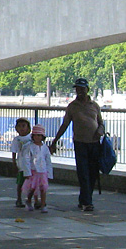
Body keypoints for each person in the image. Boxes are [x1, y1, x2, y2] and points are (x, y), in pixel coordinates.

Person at [49, 78, 104, 212]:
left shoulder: (94, 105)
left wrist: (100, 131)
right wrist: (55, 141)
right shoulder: (72, 107)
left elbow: (101, 122)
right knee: (83, 173)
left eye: (82, 89)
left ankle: (84, 199)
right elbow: (65, 124)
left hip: (94, 143)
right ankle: (87, 202)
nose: (79, 91)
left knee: (92, 173)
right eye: (77, 89)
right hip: (80, 143)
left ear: (87, 90)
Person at [21, 124, 53, 213]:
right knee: (32, 188)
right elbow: (26, 159)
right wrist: (27, 172)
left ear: (42, 137)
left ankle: (43, 204)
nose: (37, 137)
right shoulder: (29, 147)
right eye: (36, 135)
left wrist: (49, 172)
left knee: (43, 188)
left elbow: (48, 160)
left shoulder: (45, 148)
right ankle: (29, 200)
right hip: (33, 170)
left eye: (39, 135)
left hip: (43, 171)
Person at [9, 117, 32, 208]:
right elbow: (14, 152)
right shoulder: (16, 139)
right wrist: (14, 163)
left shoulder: (31, 137)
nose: (22, 128)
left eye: (23, 126)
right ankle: (19, 199)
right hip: (21, 164)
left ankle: (31, 199)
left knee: (32, 182)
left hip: (31, 163)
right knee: (20, 182)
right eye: (19, 126)